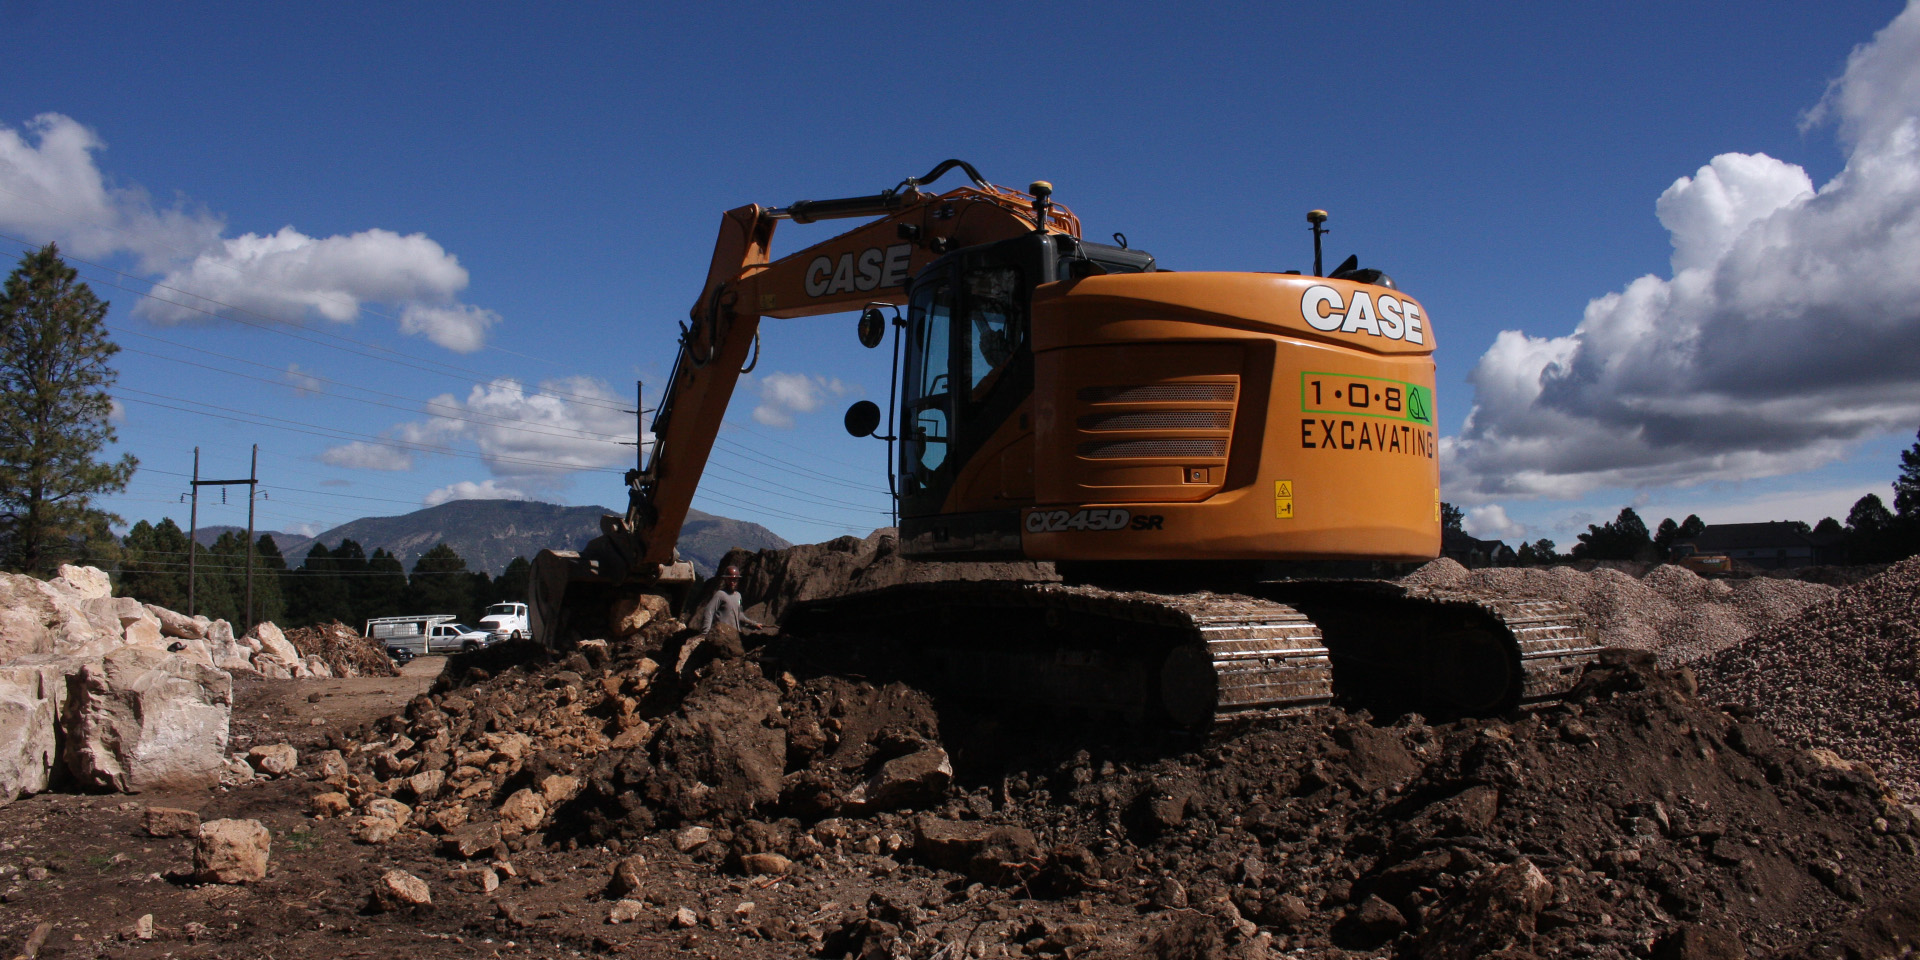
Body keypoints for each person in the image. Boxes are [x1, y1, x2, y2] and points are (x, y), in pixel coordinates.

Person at [693, 566, 763, 633]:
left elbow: (739, 615)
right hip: (721, 633)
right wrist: (706, 632)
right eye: (730, 579)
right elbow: (709, 611)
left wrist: (754, 624)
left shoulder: (738, 596)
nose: (732, 582)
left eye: (734, 579)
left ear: (737, 580)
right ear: (725, 580)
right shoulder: (720, 594)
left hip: (735, 634)